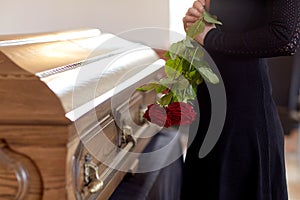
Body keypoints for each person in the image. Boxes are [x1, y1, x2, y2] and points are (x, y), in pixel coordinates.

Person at [181, 0, 300, 199]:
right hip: (208, 103)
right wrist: (196, 22)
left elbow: (284, 37)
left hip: (243, 109)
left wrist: (211, 37)